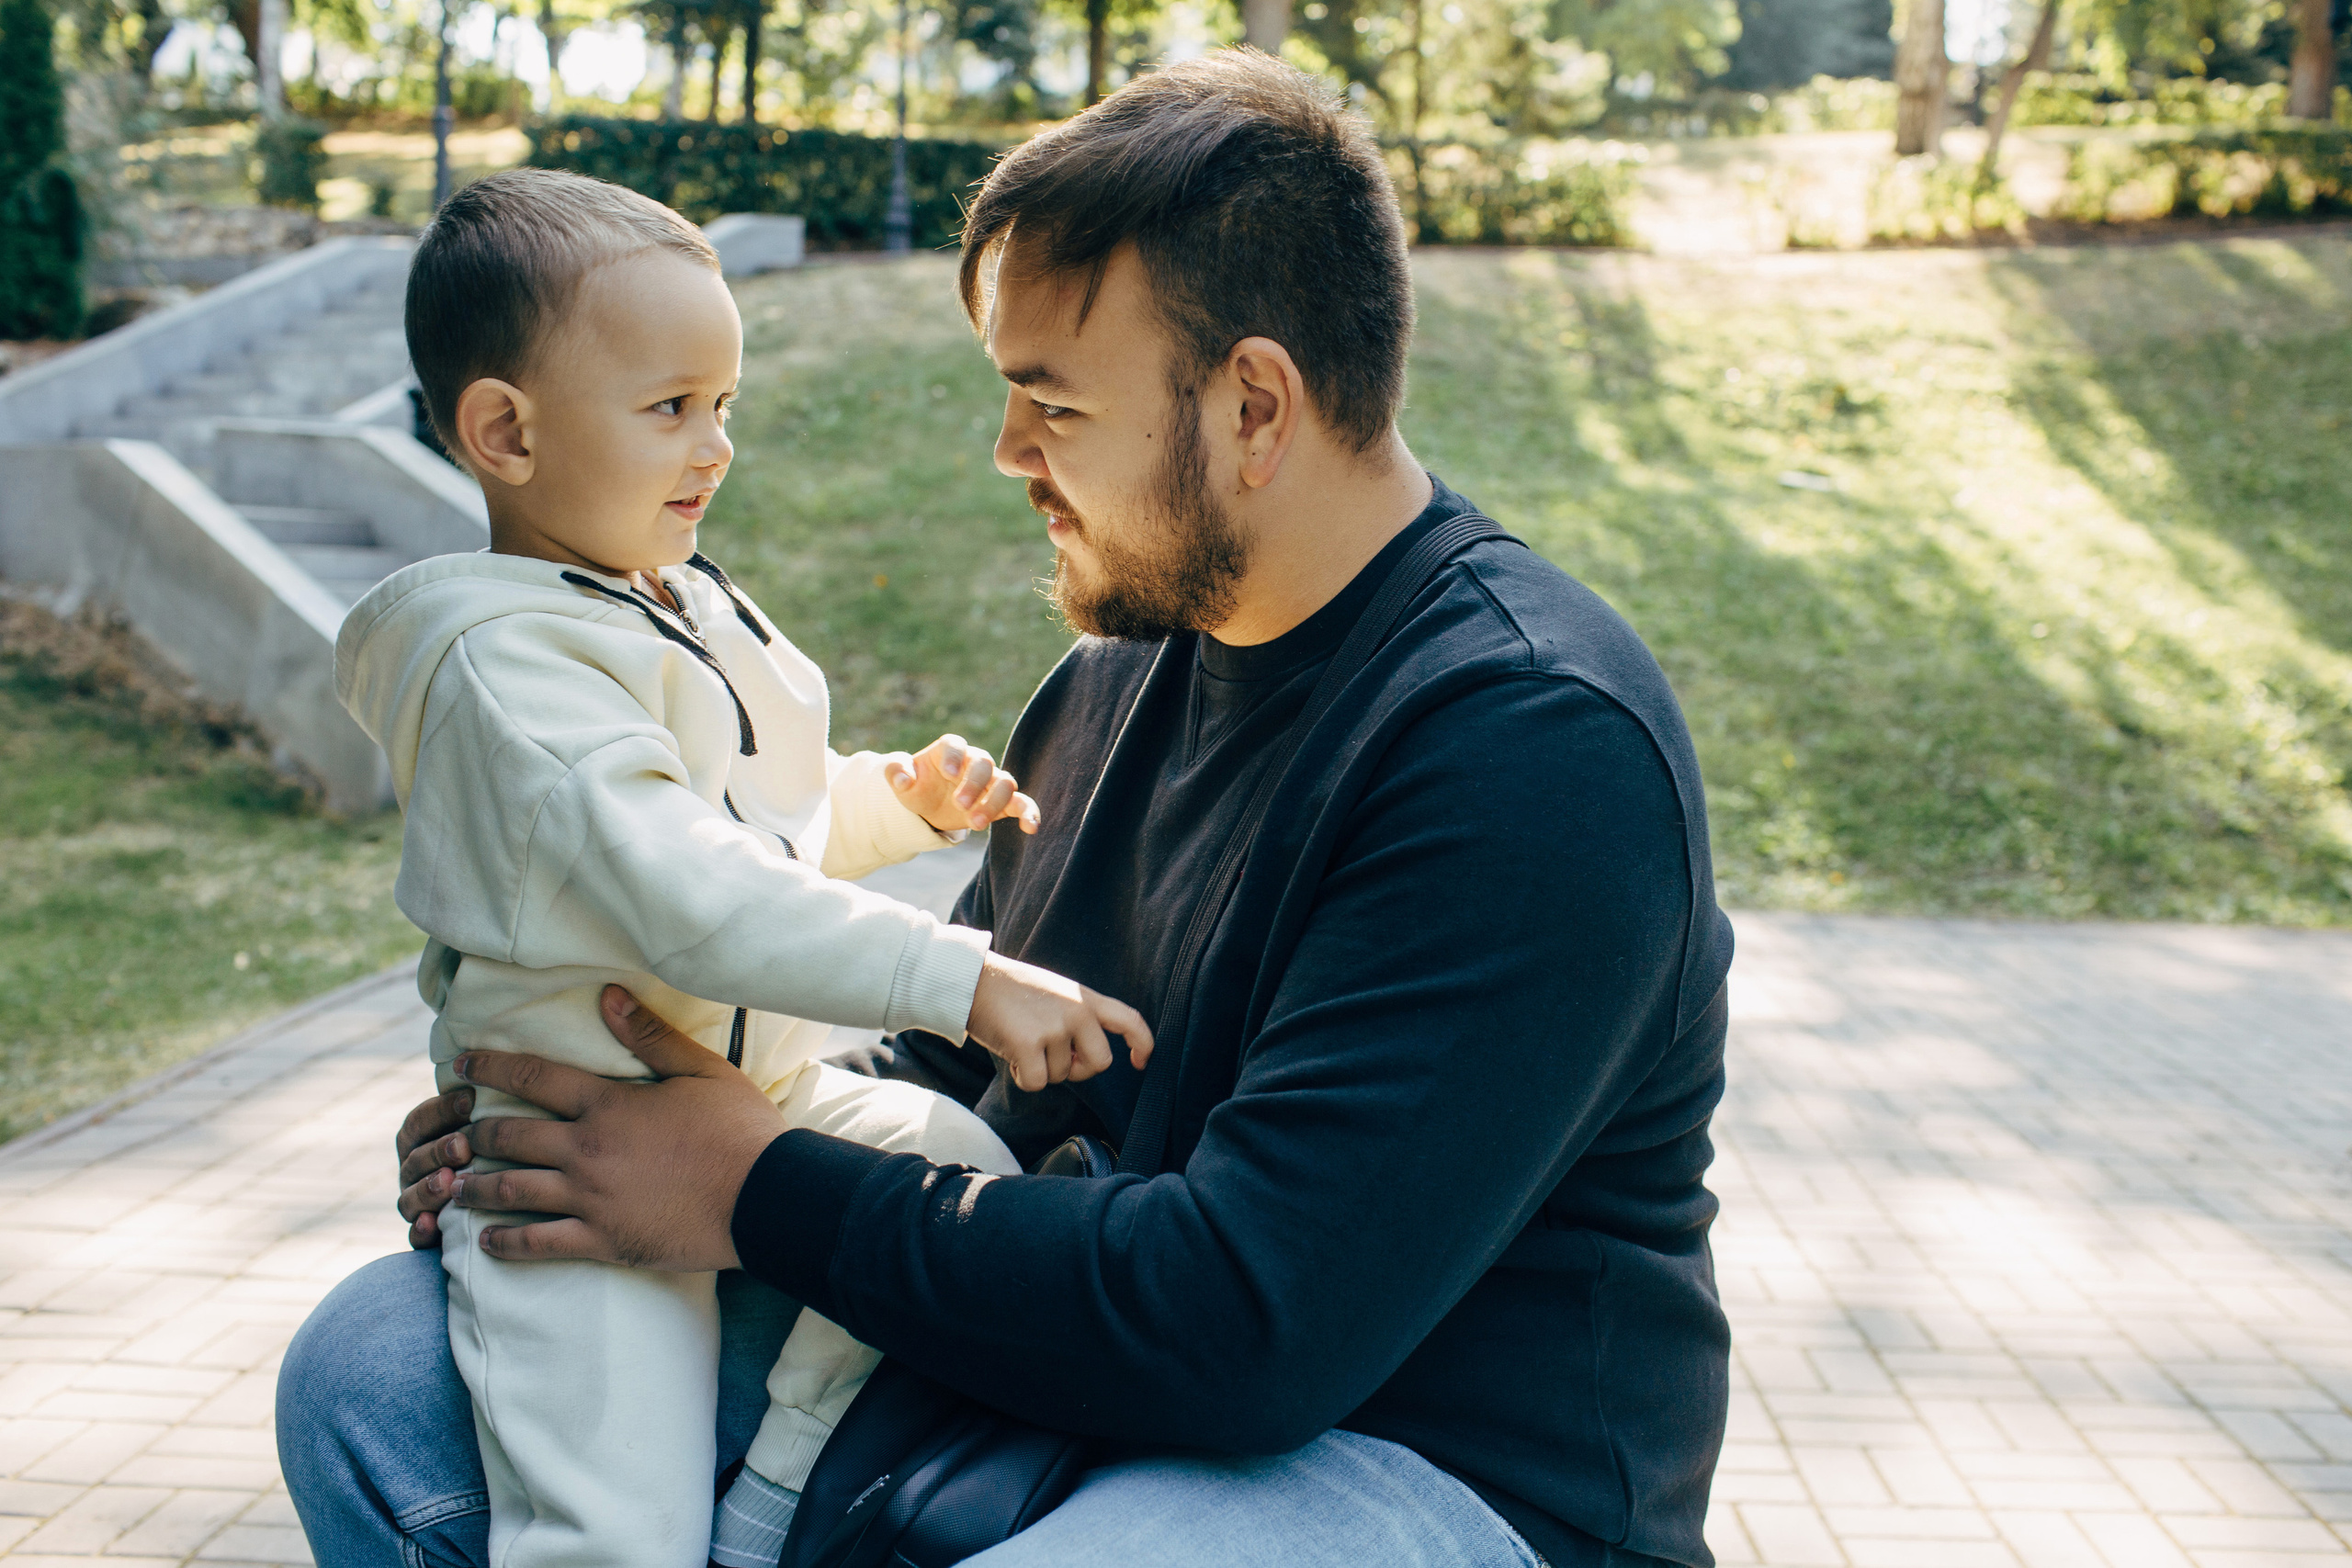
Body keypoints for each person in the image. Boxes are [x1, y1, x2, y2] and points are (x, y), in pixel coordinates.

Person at [282, 50, 1736, 1568]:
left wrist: (745, 1183)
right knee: (376, 1367)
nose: (1008, 456)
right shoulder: (1115, 681)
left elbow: (1247, 1325)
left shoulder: (1525, 746)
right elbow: (941, 1074)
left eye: (1050, 404)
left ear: (1254, 405)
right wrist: (602, 1127)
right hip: (1065, 1380)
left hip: (1399, 1455)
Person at [330, 166, 1153, 1568]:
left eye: (725, 406)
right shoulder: (509, 672)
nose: (714, 447)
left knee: (960, 1163)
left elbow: (753, 834)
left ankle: (768, 1504)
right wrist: (963, 980)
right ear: (503, 433)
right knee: (609, 1518)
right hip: (578, 1157)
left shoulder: (665, 603)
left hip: (747, 1098)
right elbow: (690, 891)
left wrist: (890, 803)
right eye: (669, 409)